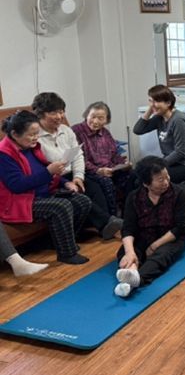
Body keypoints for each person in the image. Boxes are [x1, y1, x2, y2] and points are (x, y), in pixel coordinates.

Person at [0, 110, 90, 264]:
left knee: (82, 201)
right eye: (31, 134)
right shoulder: (4, 154)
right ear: (15, 134)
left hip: (41, 193)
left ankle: (56, 241)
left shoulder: (30, 147)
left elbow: (45, 169)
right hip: (18, 201)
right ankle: (67, 253)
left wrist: (65, 182)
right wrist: (49, 172)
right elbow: (17, 185)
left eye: (37, 133)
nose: (36, 137)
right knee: (61, 206)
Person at [32, 92, 123, 239]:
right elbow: (38, 166)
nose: (59, 116)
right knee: (77, 194)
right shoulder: (34, 136)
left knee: (94, 188)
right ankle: (109, 224)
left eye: (61, 111)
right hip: (54, 179)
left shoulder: (66, 130)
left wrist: (78, 176)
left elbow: (78, 155)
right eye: (53, 113)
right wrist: (65, 180)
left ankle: (107, 226)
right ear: (41, 114)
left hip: (72, 174)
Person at [114, 156, 185, 297]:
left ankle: (136, 280)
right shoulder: (134, 197)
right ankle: (132, 271)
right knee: (125, 252)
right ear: (146, 183)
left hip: (170, 238)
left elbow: (180, 227)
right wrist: (130, 252)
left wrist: (154, 246)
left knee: (161, 256)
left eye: (167, 177)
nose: (166, 182)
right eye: (160, 180)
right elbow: (128, 228)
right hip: (143, 235)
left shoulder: (178, 194)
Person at [72, 101, 132, 216]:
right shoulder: (76, 131)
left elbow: (114, 154)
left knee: (131, 175)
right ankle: (112, 217)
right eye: (93, 117)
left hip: (110, 169)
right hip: (89, 171)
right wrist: (98, 170)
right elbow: (79, 159)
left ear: (106, 120)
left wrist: (123, 163)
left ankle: (127, 214)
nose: (95, 121)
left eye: (100, 118)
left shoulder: (105, 133)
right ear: (86, 115)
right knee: (106, 182)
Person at [133, 85, 185, 184]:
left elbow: (180, 152)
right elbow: (138, 130)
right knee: (135, 174)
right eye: (151, 101)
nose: (153, 104)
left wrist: (158, 165)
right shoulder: (159, 117)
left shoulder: (178, 120)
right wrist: (151, 109)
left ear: (168, 103)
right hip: (170, 163)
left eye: (156, 101)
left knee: (145, 179)